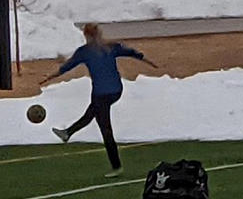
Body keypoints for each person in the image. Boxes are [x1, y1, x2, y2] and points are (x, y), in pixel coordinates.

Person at [40, 23, 157, 177]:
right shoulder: (111, 47)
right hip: (115, 91)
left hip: (101, 93)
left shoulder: (85, 52)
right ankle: (67, 132)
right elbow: (132, 52)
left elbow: (66, 67)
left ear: (87, 36)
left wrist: (49, 77)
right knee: (92, 112)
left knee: (105, 128)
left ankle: (116, 166)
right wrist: (148, 61)